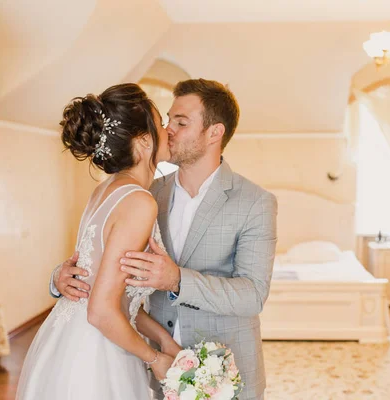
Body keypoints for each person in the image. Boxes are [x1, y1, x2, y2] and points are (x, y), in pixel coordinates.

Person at [52, 78, 279, 400]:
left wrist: (176, 280)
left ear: (214, 133)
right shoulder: (144, 194)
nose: (168, 129)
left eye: (181, 122)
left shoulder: (255, 202)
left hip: (223, 369)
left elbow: (253, 295)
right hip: (147, 366)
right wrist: (60, 277)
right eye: (168, 120)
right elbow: (104, 268)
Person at [16, 83, 182, 400]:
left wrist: (163, 339)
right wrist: (156, 360)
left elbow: (116, 297)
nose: (167, 130)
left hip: (71, 338)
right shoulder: (139, 202)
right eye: (160, 122)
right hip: (96, 353)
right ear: (145, 141)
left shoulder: (106, 191)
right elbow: (102, 311)